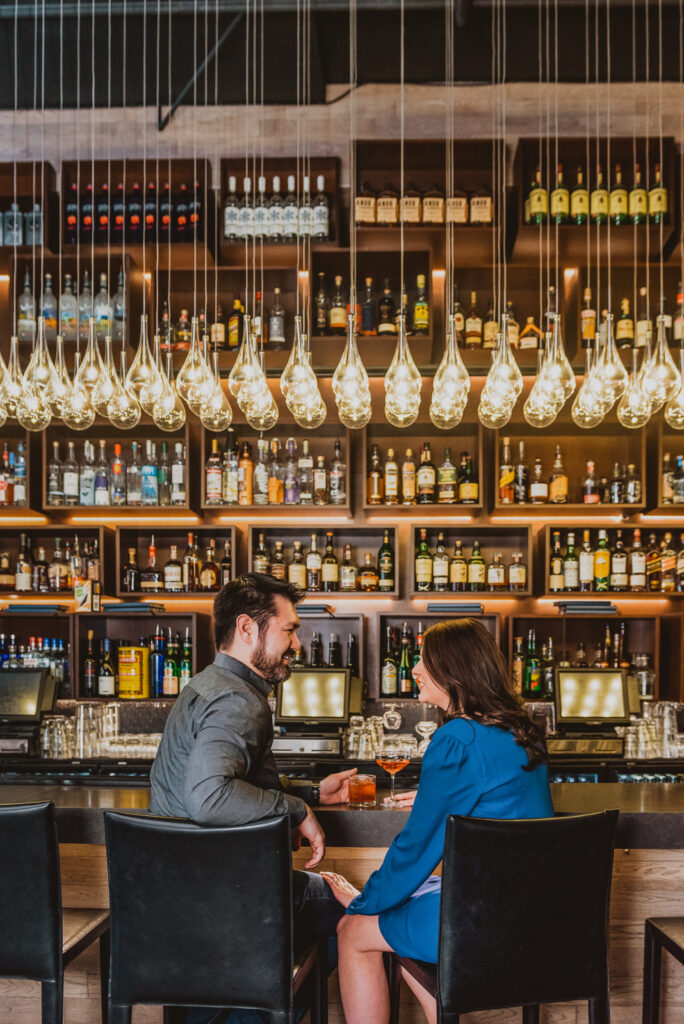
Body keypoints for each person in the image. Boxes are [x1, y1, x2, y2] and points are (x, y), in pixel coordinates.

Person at [321, 617, 554, 1024]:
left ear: (453, 668)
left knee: (354, 930)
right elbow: (501, 802)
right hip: (537, 914)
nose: (413, 669)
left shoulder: (456, 739)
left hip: (482, 923)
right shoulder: (521, 731)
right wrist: (435, 801)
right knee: (409, 904)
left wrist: (363, 901)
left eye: (424, 660)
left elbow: (415, 850)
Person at [150, 573, 356, 1024]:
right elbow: (210, 797)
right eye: (290, 629)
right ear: (247, 629)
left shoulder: (206, 684)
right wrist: (296, 809)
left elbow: (225, 784)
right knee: (354, 911)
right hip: (228, 896)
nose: (297, 644)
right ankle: (255, 1011)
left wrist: (310, 793)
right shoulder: (236, 699)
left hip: (175, 894)